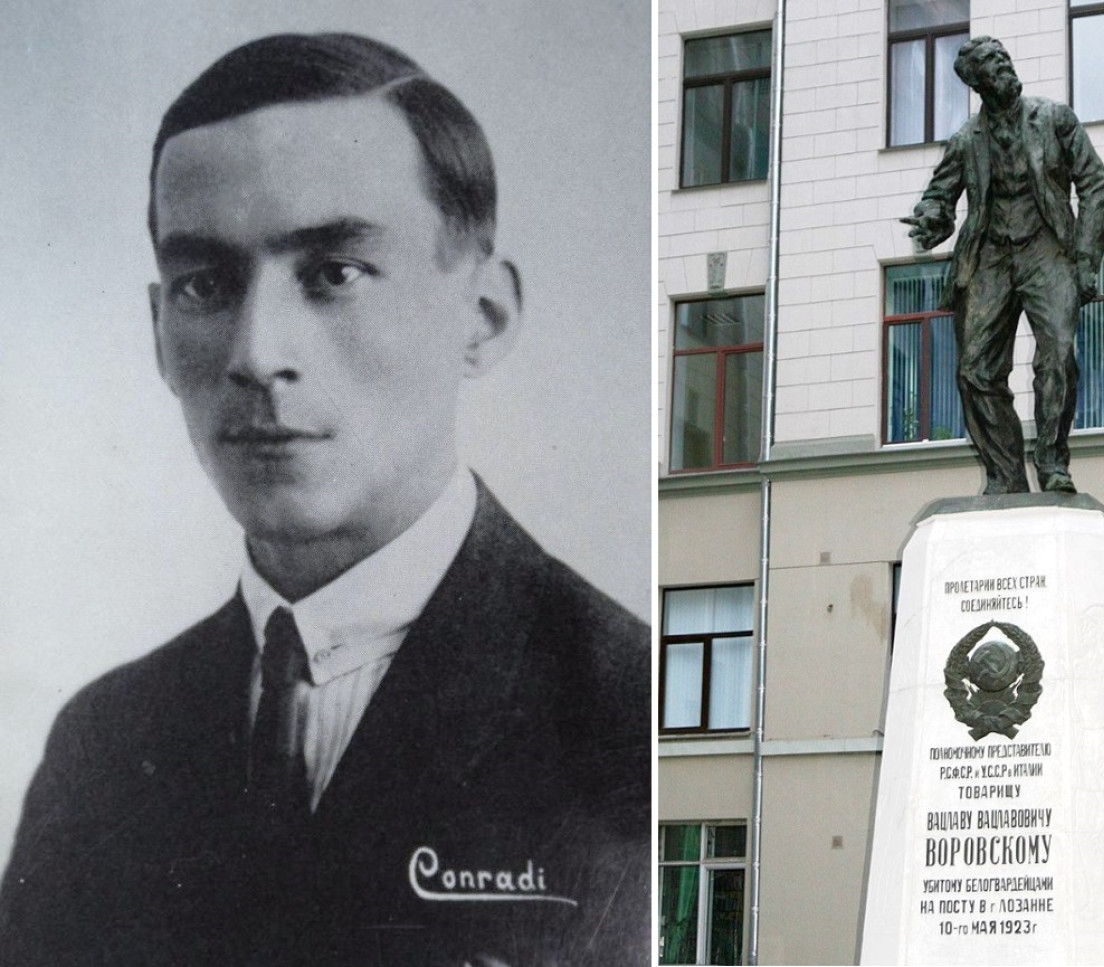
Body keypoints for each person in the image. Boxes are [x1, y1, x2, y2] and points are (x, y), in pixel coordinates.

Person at [0, 33, 648, 967]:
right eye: (204, 285)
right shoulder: (103, 745)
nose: (256, 352)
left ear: (483, 317)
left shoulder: (626, 719)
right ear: (156, 333)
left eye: (333, 273)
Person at [903, 35, 1104, 495]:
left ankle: (1053, 463)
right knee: (974, 371)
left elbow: (1098, 188)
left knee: (1057, 356)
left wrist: (1085, 259)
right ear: (978, 83)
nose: (1003, 68)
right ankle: (1006, 475)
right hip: (990, 257)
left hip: (1048, 251)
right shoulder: (965, 140)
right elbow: (938, 200)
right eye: (992, 66)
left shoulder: (1055, 119)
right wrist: (929, 220)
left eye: (1004, 59)